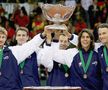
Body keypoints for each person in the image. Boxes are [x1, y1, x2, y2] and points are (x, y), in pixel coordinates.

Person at [97, 23, 108, 90]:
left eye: (104, 33)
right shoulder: (100, 49)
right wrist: (70, 36)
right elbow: (85, 42)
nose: (101, 36)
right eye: (100, 34)